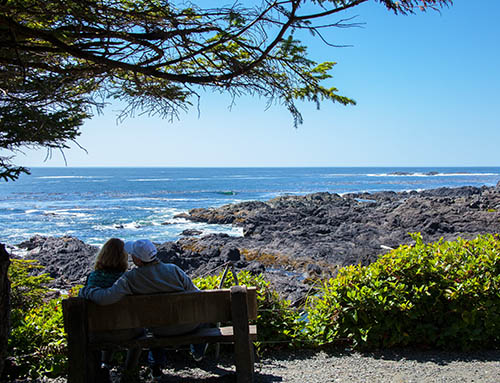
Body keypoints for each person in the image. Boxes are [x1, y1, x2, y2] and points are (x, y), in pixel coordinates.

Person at [79, 239, 206, 380]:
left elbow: (105, 298)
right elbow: (197, 296)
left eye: (132, 255)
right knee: (203, 321)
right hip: (189, 325)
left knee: (154, 326)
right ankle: (197, 352)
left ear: (138, 260)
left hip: (160, 331)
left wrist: (86, 291)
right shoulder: (174, 270)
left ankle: (155, 368)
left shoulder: (131, 278)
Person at [82, 238, 139, 382]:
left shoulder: (92, 278)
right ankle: (129, 372)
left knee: (107, 321)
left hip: (98, 333)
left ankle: (104, 364)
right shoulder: (128, 279)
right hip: (128, 332)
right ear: (124, 257)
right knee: (138, 332)